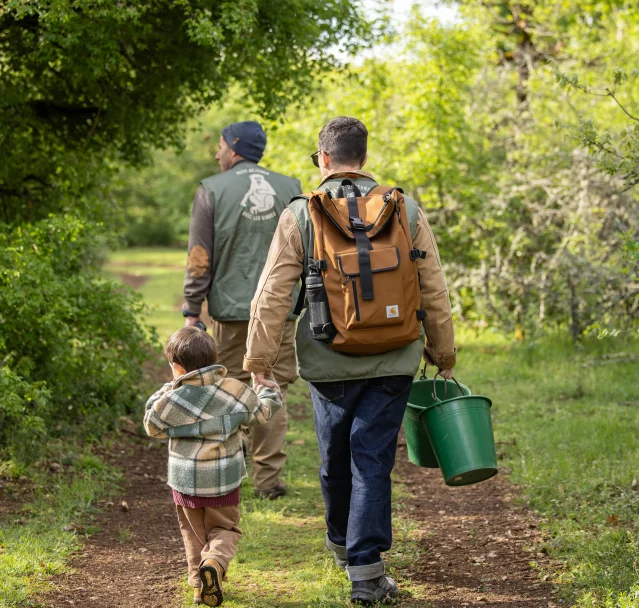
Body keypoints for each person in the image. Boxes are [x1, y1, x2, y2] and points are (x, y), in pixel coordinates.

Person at [243, 117, 456, 605]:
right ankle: (366, 569)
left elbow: (273, 293)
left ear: (323, 158)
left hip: (327, 359)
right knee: (373, 459)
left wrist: (259, 360)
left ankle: (346, 550)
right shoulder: (405, 209)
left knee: (334, 455)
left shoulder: (301, 214)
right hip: (395, 358)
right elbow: (434, 289)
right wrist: (442, 354)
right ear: (362, 157)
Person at [181, 121, 301, 500]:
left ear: (234, 148)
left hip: (231, 312)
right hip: (280, 310)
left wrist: (191, 308)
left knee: (229, 387)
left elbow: (200, 257)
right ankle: (268, 481)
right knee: (273, 387)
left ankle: (228, 475)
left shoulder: (211, 190)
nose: (216, 154)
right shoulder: (291, 188)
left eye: (219, 146)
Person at [143, 327, 281, 606]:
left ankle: (198, 586)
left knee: (193, 534)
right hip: (223, 481)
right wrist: (267, 387)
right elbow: (264, 411)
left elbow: (151, 424)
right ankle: (215, 564)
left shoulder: (171, 400)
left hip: (184, 481)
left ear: (176, 367)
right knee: (225, 529)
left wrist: (171, 386)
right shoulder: (234, 392)